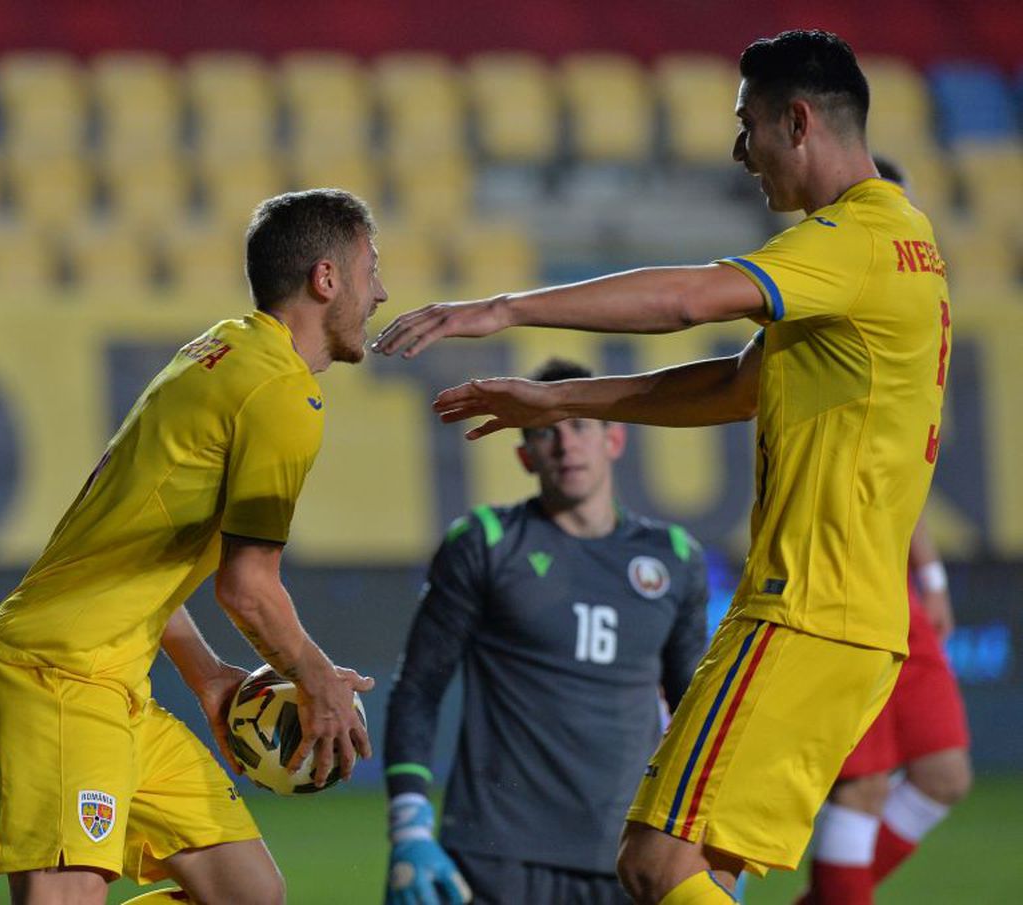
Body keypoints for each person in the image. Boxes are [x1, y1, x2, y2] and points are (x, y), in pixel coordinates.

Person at [372, 30, 952, 905]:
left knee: (656, 865)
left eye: (746, 124)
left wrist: (504, 307)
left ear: (797, 121)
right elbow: (734, 384)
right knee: (705, 867)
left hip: (803, 608)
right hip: (855, 619)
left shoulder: (853, 238)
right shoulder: (904, 243)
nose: (738, 151)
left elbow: (686, 301)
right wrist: (564, 401)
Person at [0, 188, 387, 905]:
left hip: (115, 679)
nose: (382, 292)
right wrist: (317, 680)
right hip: (61, 670)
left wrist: (207, 677)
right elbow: (247, 587)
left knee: (246, 892)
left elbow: (135, 545)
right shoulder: (279, 395)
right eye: (371, 269)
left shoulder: (219, 350)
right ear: (327, 279)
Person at [383, 357, 710, 905]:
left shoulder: (675, 559)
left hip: (629, 858)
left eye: (580, 424)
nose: (566, 445)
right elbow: (418, 688)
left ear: (614, 439)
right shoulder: (485, 542)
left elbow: (692, 712)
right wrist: (409, 827)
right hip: (495, 858)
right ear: (524, 454)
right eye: (545, 433)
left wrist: (713, 834)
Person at [796, 156, 972, 905]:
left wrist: (928, 574)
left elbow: (901, 471)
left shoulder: (908, 306)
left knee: (943, 774)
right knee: (861, 785)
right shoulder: (831, 300)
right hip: (840, 572)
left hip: (895, 575)